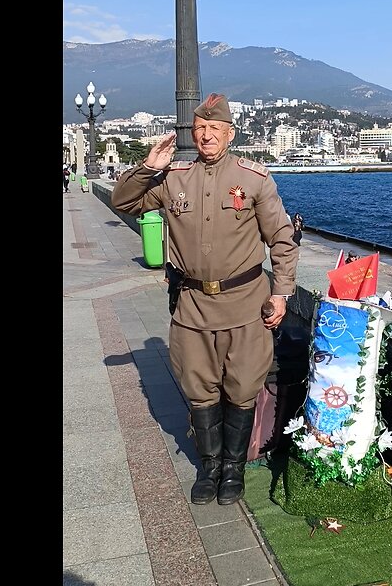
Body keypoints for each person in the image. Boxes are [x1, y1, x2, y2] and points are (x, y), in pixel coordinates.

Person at [111, 93, 298, 506]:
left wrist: (282, 292)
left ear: (230, 134)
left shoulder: (254, 179)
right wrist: (148, 167)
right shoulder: (174, 177)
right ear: (192, 134)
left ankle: (233, 468)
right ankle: (209, 466)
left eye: (215, 128)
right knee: (199, 388)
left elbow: (282, 240)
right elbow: (122, 201)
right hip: (192, 305)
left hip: (246, 304)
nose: (207, 135)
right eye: (200, 129)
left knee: (243, 385)